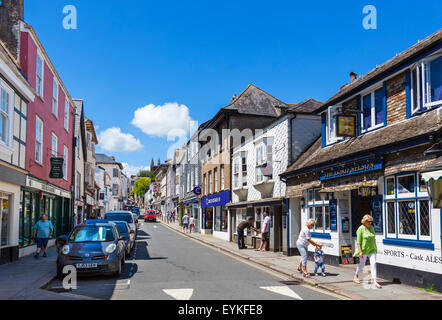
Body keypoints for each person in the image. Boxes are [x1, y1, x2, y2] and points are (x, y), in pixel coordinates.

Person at [353, 214, 382, 289]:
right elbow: (358, 242)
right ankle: (356, 276)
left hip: (372, 249)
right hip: (364, 250)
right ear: (365, 221)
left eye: (371, 221)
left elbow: (374, 238)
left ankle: (375, 281)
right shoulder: (360, 229)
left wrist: (376, 248)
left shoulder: (372, 228)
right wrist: (360, 252)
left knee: (373, 264)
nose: (370, 223)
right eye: (369, 221)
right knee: (362, 265)